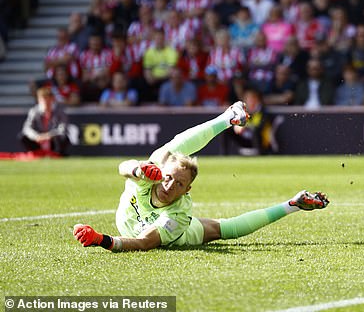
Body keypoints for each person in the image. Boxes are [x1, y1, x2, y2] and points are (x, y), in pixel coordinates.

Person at [72, 101, 329, 251]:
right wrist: (139, 168)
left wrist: (101, 240)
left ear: (187, 191)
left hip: (173, 236)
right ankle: (228, 117)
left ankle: (293, 204)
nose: (169, 185)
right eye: (169, 178)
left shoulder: (179, 215)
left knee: (223, 230)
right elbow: (123, 168)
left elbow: (144, 242)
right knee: (164, 152)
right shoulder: (154, 174)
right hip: (136, 198)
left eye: (179, 184)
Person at [19, 86, 70, 156]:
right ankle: (35, 153)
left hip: (53, 140)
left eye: (47, 98)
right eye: (43, 99)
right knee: (22, 137)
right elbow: (27, 128)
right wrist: (36, 136)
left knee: (63, 138)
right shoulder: (34, 111)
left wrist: (49, 135)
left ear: (52, 99)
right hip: (38, 140)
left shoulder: (60, 111)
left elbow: (62, 129)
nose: (45, 101)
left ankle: (58, 154)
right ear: (39, 100)